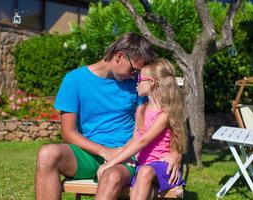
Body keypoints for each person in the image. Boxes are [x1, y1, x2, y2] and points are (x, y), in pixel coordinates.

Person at [35, 33, 182, 200]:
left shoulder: (137, 86)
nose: (135, 76)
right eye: (133, 69)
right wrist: (105, 152)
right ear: (119, 56)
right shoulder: (74, 80)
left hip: (126, 155)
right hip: (89, 154)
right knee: (47, 153)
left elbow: (165, 117)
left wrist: (176, 153)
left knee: (112, 175)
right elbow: (68, 132)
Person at [97, 58, 187, 200]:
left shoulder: (164, 114)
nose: (137, 82)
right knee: (144, 177)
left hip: (164, 166)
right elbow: (135, 139)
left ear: (152, 82)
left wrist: (112, 162)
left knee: (145, 172)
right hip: (143, 166)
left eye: (140, 79)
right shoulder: (141, 109)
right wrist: (119, 157)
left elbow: (143, 141)